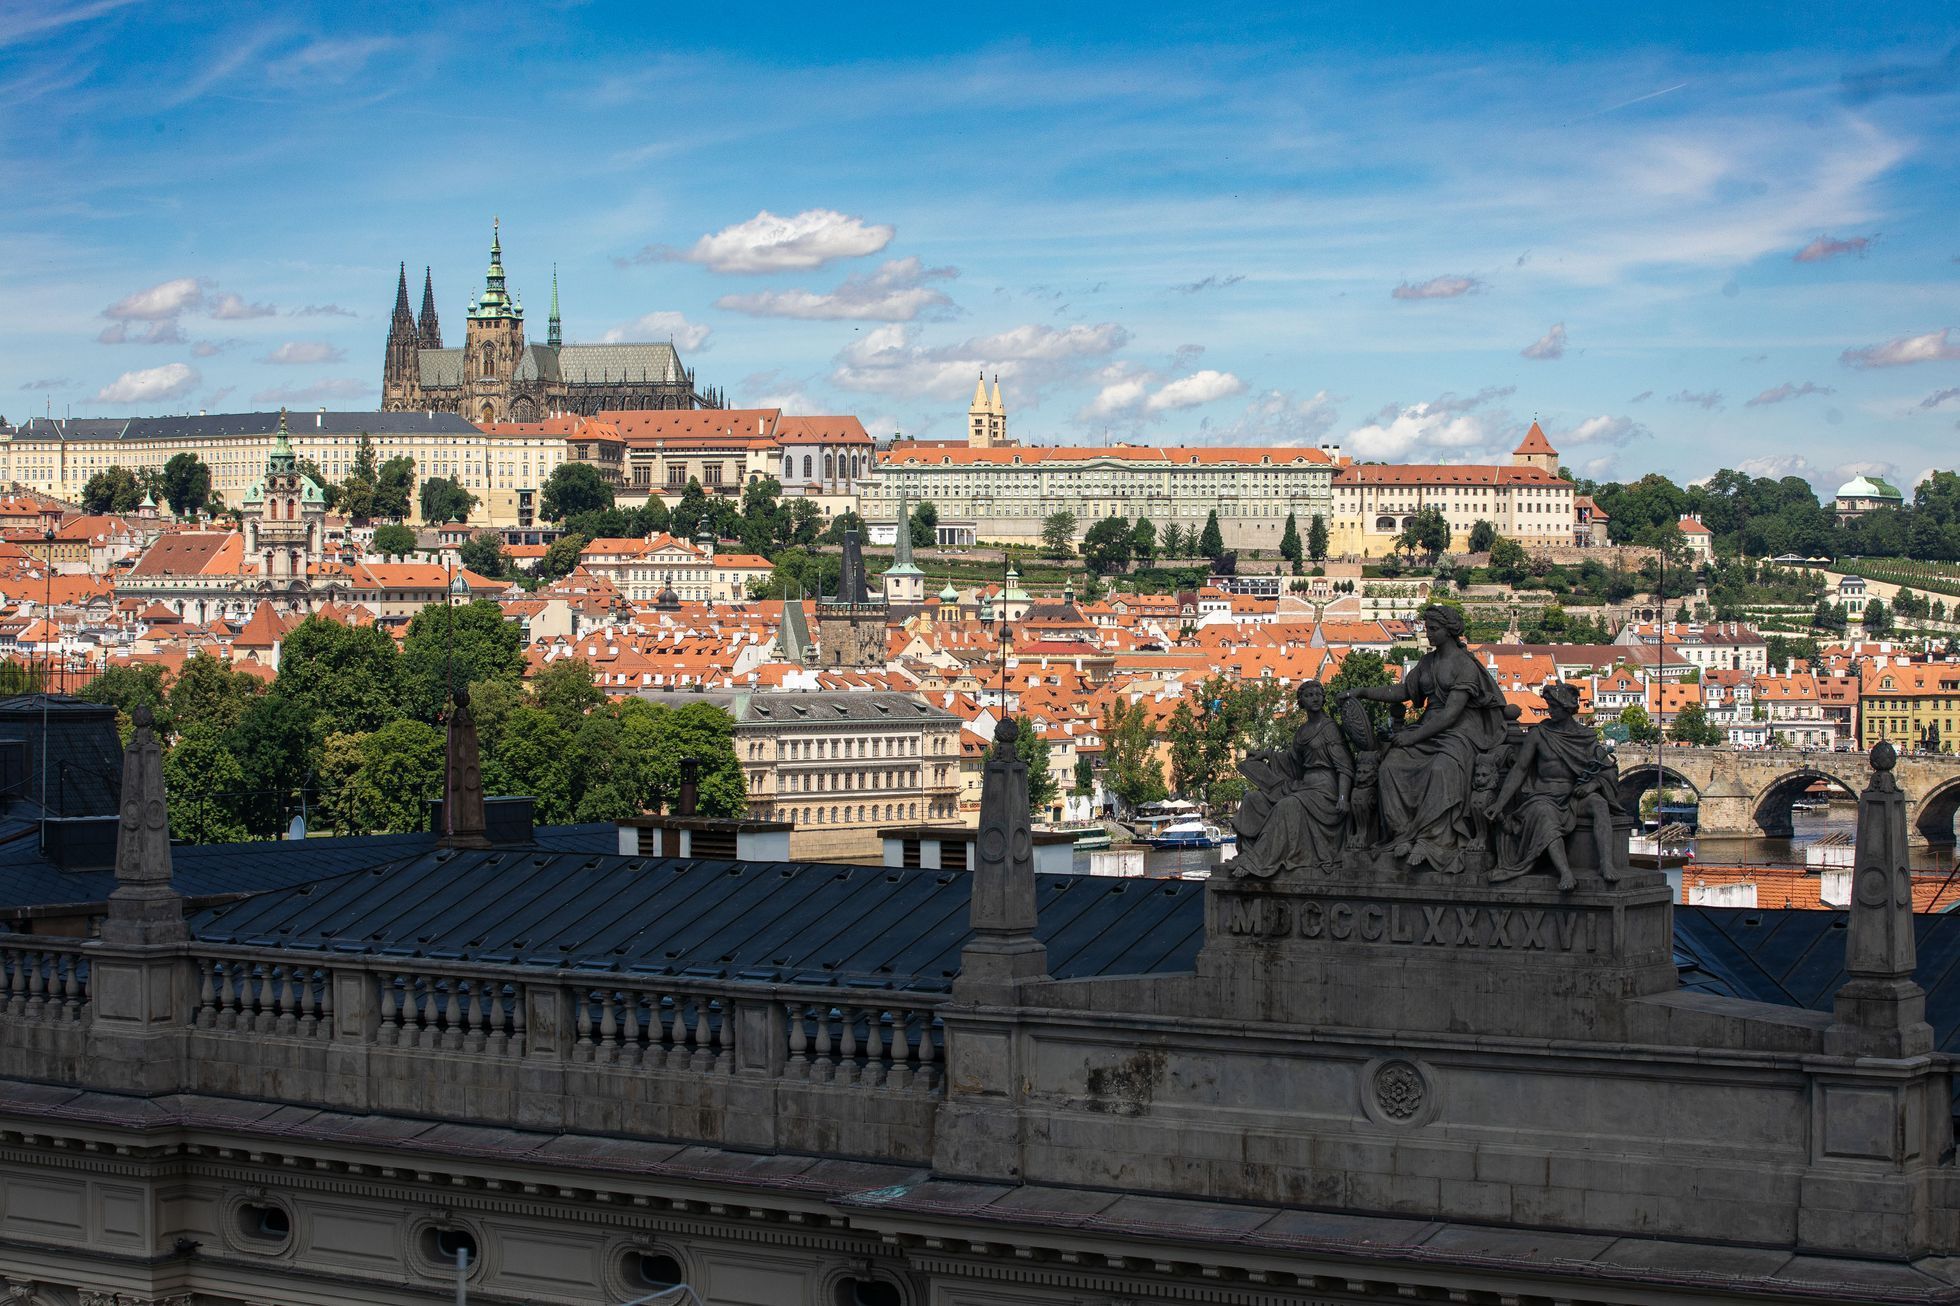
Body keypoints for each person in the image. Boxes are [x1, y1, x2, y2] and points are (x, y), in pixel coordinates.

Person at [1338, 604, 1507, 872]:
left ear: (1450, 631)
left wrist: (1413, 738)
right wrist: (1363, 691)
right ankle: (1403, 834)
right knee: (1391, 765)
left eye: (1434, 629)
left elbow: (1451, 714)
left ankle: (1434, 840)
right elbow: (1404, 690)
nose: (1428, 633)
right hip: (1428, 726)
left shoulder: (1465, 666)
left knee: (1442, 768)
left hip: (1461, 730)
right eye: (1427, 628)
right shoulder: (1428, 663)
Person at [1485, 682, 1619, 890]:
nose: (1550, 711)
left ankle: (1606, 864)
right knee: (1545, 816)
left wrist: (1592, 785)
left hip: (1574, 796)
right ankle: (1565, 872)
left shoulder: (1585, 737)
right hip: (1543, 796)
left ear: (1568, 709)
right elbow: (1519, 769)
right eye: (1549, 706)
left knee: (1600, 805)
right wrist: (1500, 803)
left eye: (1554, 707)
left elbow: (1608, 769)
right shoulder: (1539, 734)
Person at [1231, 681, 1353, 877]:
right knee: (1253, 800)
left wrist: (1342, 798)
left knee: (1286, 806)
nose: (1314, 698)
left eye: (1318, 694)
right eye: (1309, 695)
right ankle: (1247, 852)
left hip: (1325, 789)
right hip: (1304, 786)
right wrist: (1265, 755)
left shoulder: (1329, 728)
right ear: (1301, 701)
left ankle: (1257, 862)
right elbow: (1292, 761)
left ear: (1323, 698)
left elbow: (1345, 766)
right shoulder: (1302, 731)